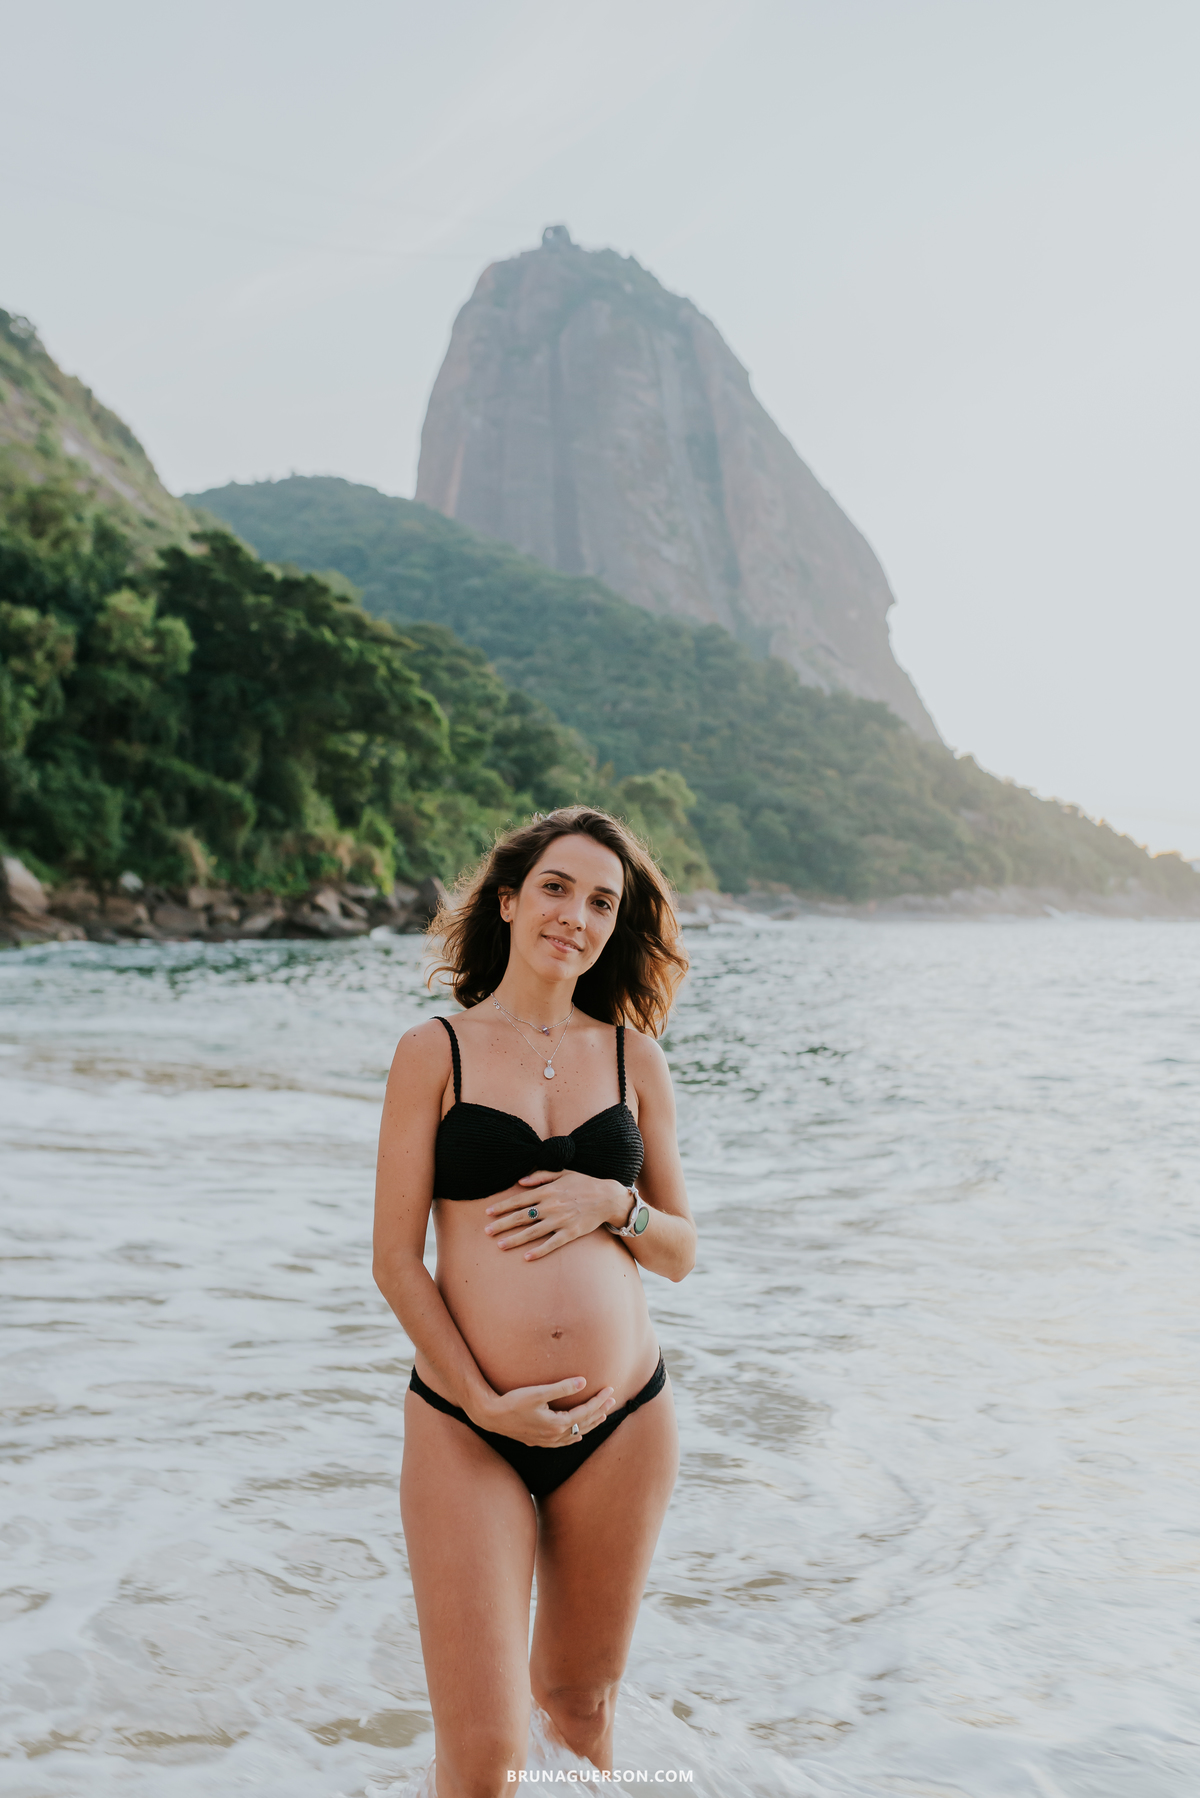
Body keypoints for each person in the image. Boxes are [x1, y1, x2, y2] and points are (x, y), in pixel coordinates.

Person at [373, 807, 697, 1798]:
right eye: (557, 888)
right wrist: (481, 1400)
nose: (577, 916)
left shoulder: (635, 1057)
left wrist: (613, 1202)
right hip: (468, 1424)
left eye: (602, 901)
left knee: (581, 1709)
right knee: (482, 1765)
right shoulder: (435, 1051)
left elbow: (681, 1252)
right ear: (510, 901)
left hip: (623, 1422)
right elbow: (394, 1261)